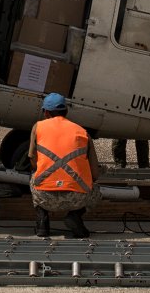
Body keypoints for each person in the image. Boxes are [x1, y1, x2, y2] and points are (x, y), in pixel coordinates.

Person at [28, 93, 101, 238]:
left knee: (33, 176)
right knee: (96, 190)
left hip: (45, 196)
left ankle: (42, 222)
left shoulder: (38, 127)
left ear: (46, 112)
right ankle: (75, 215)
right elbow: (95, 172)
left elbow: (32, 160)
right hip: (76, 199)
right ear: (66, 111)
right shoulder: (82, 131)